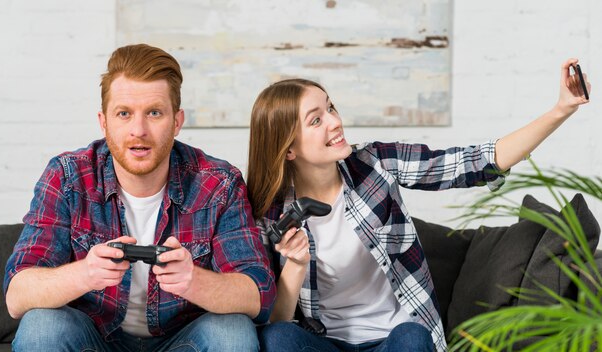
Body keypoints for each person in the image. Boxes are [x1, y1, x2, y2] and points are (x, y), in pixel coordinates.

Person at [246, 58, 590, 352]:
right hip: (326, 343)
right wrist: (294, 265)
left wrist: (561, 110)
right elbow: (278, 320)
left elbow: (475, 162)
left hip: (394, 340)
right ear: (288, 148)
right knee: (277, 338)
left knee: (412, 336)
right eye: (316, 119)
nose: (335, 122)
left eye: (331, 107)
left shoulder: (375, 163)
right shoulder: (271, 213)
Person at [3, 43, 275, 351]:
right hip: (95, 338)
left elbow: (259, 295)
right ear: (104, 122)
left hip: (183, 340)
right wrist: (85, 274)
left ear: (177, 122)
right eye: (124, 114)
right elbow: (17, 295)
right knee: (41, 328)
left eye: (154, 113)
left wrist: (194, 281)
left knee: (232, 333)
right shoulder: (67, 176)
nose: (139, 130)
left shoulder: (219, 183)